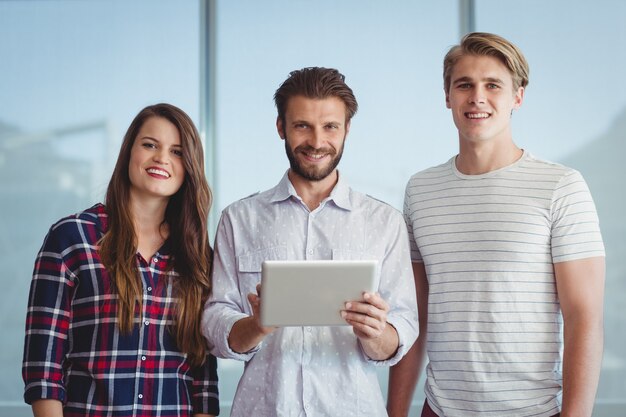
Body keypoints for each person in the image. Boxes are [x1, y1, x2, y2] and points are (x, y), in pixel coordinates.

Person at [387, 32, 606, 417]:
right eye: (464, 85)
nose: (477, 97)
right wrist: (395, 412)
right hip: (440, 410)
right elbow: (413, 316)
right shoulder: (420, 190)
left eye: (493, 85)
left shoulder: (560, 186)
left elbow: (583, 317)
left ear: (517, 97)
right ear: (447, 96)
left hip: (534, 410)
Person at [201, 67, 419, 416]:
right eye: (302, 125)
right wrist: (256, 325)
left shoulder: (384, 223)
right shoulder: (238, 219)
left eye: (330, 126)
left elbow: (402, 330)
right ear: (280, 128)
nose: (317, 142)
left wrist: (376, 333)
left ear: (347, 129)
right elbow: (215, 325)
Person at [22, 103, 219, 417]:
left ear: (190, 166)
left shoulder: (196, 256)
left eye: (177, 151)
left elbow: (203, 383)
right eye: (150, 145)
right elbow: (43, 369)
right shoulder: (71, 238)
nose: (162, 158)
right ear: (129, 151)